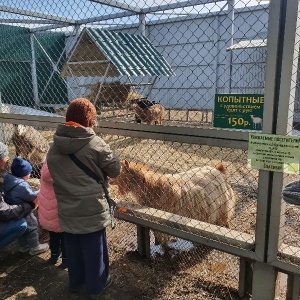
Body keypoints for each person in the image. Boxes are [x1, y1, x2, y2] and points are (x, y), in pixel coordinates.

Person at [47, 98, 121, 299]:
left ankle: (75, 282)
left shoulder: (54, 146)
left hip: (67, 207)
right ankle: (97, 285)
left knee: (72, 242)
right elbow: (115, 169)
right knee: (93, 247)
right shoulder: (95, 143)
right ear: (90, 120)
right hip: (91, 209)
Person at [3, 157, 49, 255]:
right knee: (32, 226)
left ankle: (24, 246)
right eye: (29, 172)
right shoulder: (22, 186)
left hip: (13, 206)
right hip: (23, 209)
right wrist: (40, 191)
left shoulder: (9, 179)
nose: (30, 174)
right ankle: (35, 247)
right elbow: (31, 196)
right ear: (24, 174)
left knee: (24, 229)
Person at [0, 142, 35, 249]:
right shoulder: (21, 186)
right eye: (5, 157)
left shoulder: (6, 178)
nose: (7, 159)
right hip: (5, 212)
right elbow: (3, 212)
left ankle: (23, 246)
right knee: (21, 224)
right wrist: (30, 205)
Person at [36, 160, 67, 268]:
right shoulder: (63, 173)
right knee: (65, 238)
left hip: (48, 214)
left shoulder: (45, 169)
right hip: (60, 214)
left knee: (53, 237)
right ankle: (66, 260)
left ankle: (54, 256)